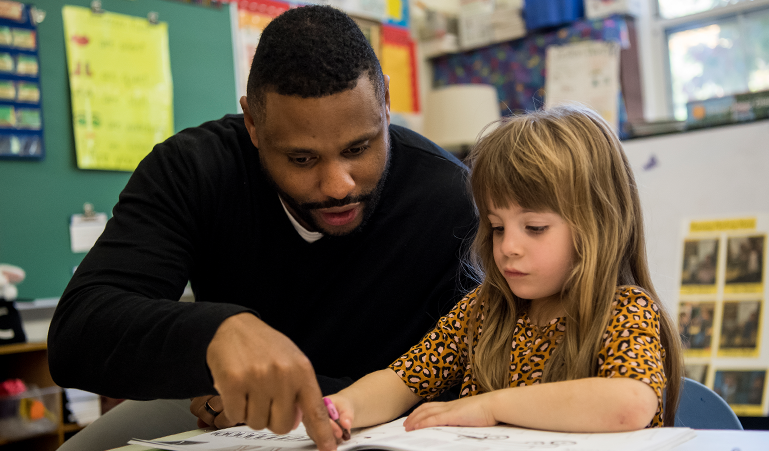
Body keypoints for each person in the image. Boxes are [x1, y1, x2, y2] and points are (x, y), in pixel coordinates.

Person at [47, 6, 476, 451]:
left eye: (358, 148)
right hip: (223, 415)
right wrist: (216, 333)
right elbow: (76, 336)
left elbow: (470, 377)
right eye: (302, 159)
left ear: (385, 102)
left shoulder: (450, 199)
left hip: (385, 423)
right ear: (253, 123)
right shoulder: (193, 170)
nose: (337, 186)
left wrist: (290, 396)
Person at [323, 105, 685, 443]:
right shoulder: (483, 311)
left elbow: (629, 405)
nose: (508, 246)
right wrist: (344, 407)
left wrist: (490, 406)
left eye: (535, 227)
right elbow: (401, 380)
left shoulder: (624, 309)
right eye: (497, 227)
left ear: (599, 227)